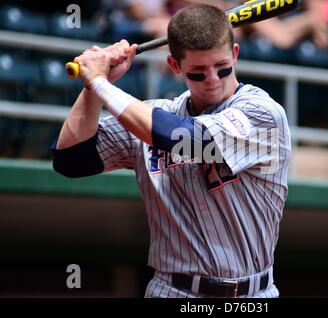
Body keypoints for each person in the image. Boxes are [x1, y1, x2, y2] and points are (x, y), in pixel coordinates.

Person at [52, 4, 292, 298]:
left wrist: (100, 83)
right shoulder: (151, 115)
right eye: (199, 72)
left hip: (251, 295)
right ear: (175, 66)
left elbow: (187, 139)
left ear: (235, 55)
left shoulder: (263, 112)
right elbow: (71, 160)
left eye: (222, 67)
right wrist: (93, 88)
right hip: (173, 291)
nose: (214, 80)